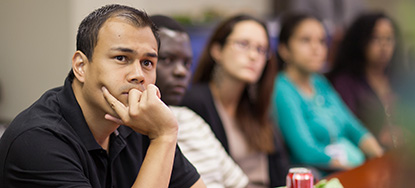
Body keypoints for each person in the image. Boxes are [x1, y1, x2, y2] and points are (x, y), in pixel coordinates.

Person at [0, 4, 206, 188]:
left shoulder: (141, 121)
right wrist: (164, 137)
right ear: (81, 66)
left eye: (147, 63)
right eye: (121, 58)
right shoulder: (36, 140)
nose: (138, 75)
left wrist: (162, 136)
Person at [182, 14, 289, 187]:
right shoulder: (196, 103)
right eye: (244, 44)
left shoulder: (254, 104)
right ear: (217, 50)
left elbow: (280, 170)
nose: (254, 56)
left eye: (261, 49)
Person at [271, 12, 383, 174]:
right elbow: (306, 150)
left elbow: (352, 126)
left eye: (322, 41)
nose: (316, 48)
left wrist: (379, 157)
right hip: (319, 175)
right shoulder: (281, 88)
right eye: (305, 40)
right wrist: (358, 170)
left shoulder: (319, 82)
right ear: (284, 49)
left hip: (348, 166)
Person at [150, 15, 249, 188]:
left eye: (187, 64)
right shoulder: (133, 132)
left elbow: (238, 183)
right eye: (167, 59)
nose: (181, 72)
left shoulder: (191, 119)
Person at [328, 12, 402, 149]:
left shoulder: (400, 78)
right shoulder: (346, 82)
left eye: (389, 38)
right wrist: (378, 135)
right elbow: (345, 126)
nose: (384, 45)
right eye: (375, 38)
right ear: (361, 41)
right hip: (364, 154)